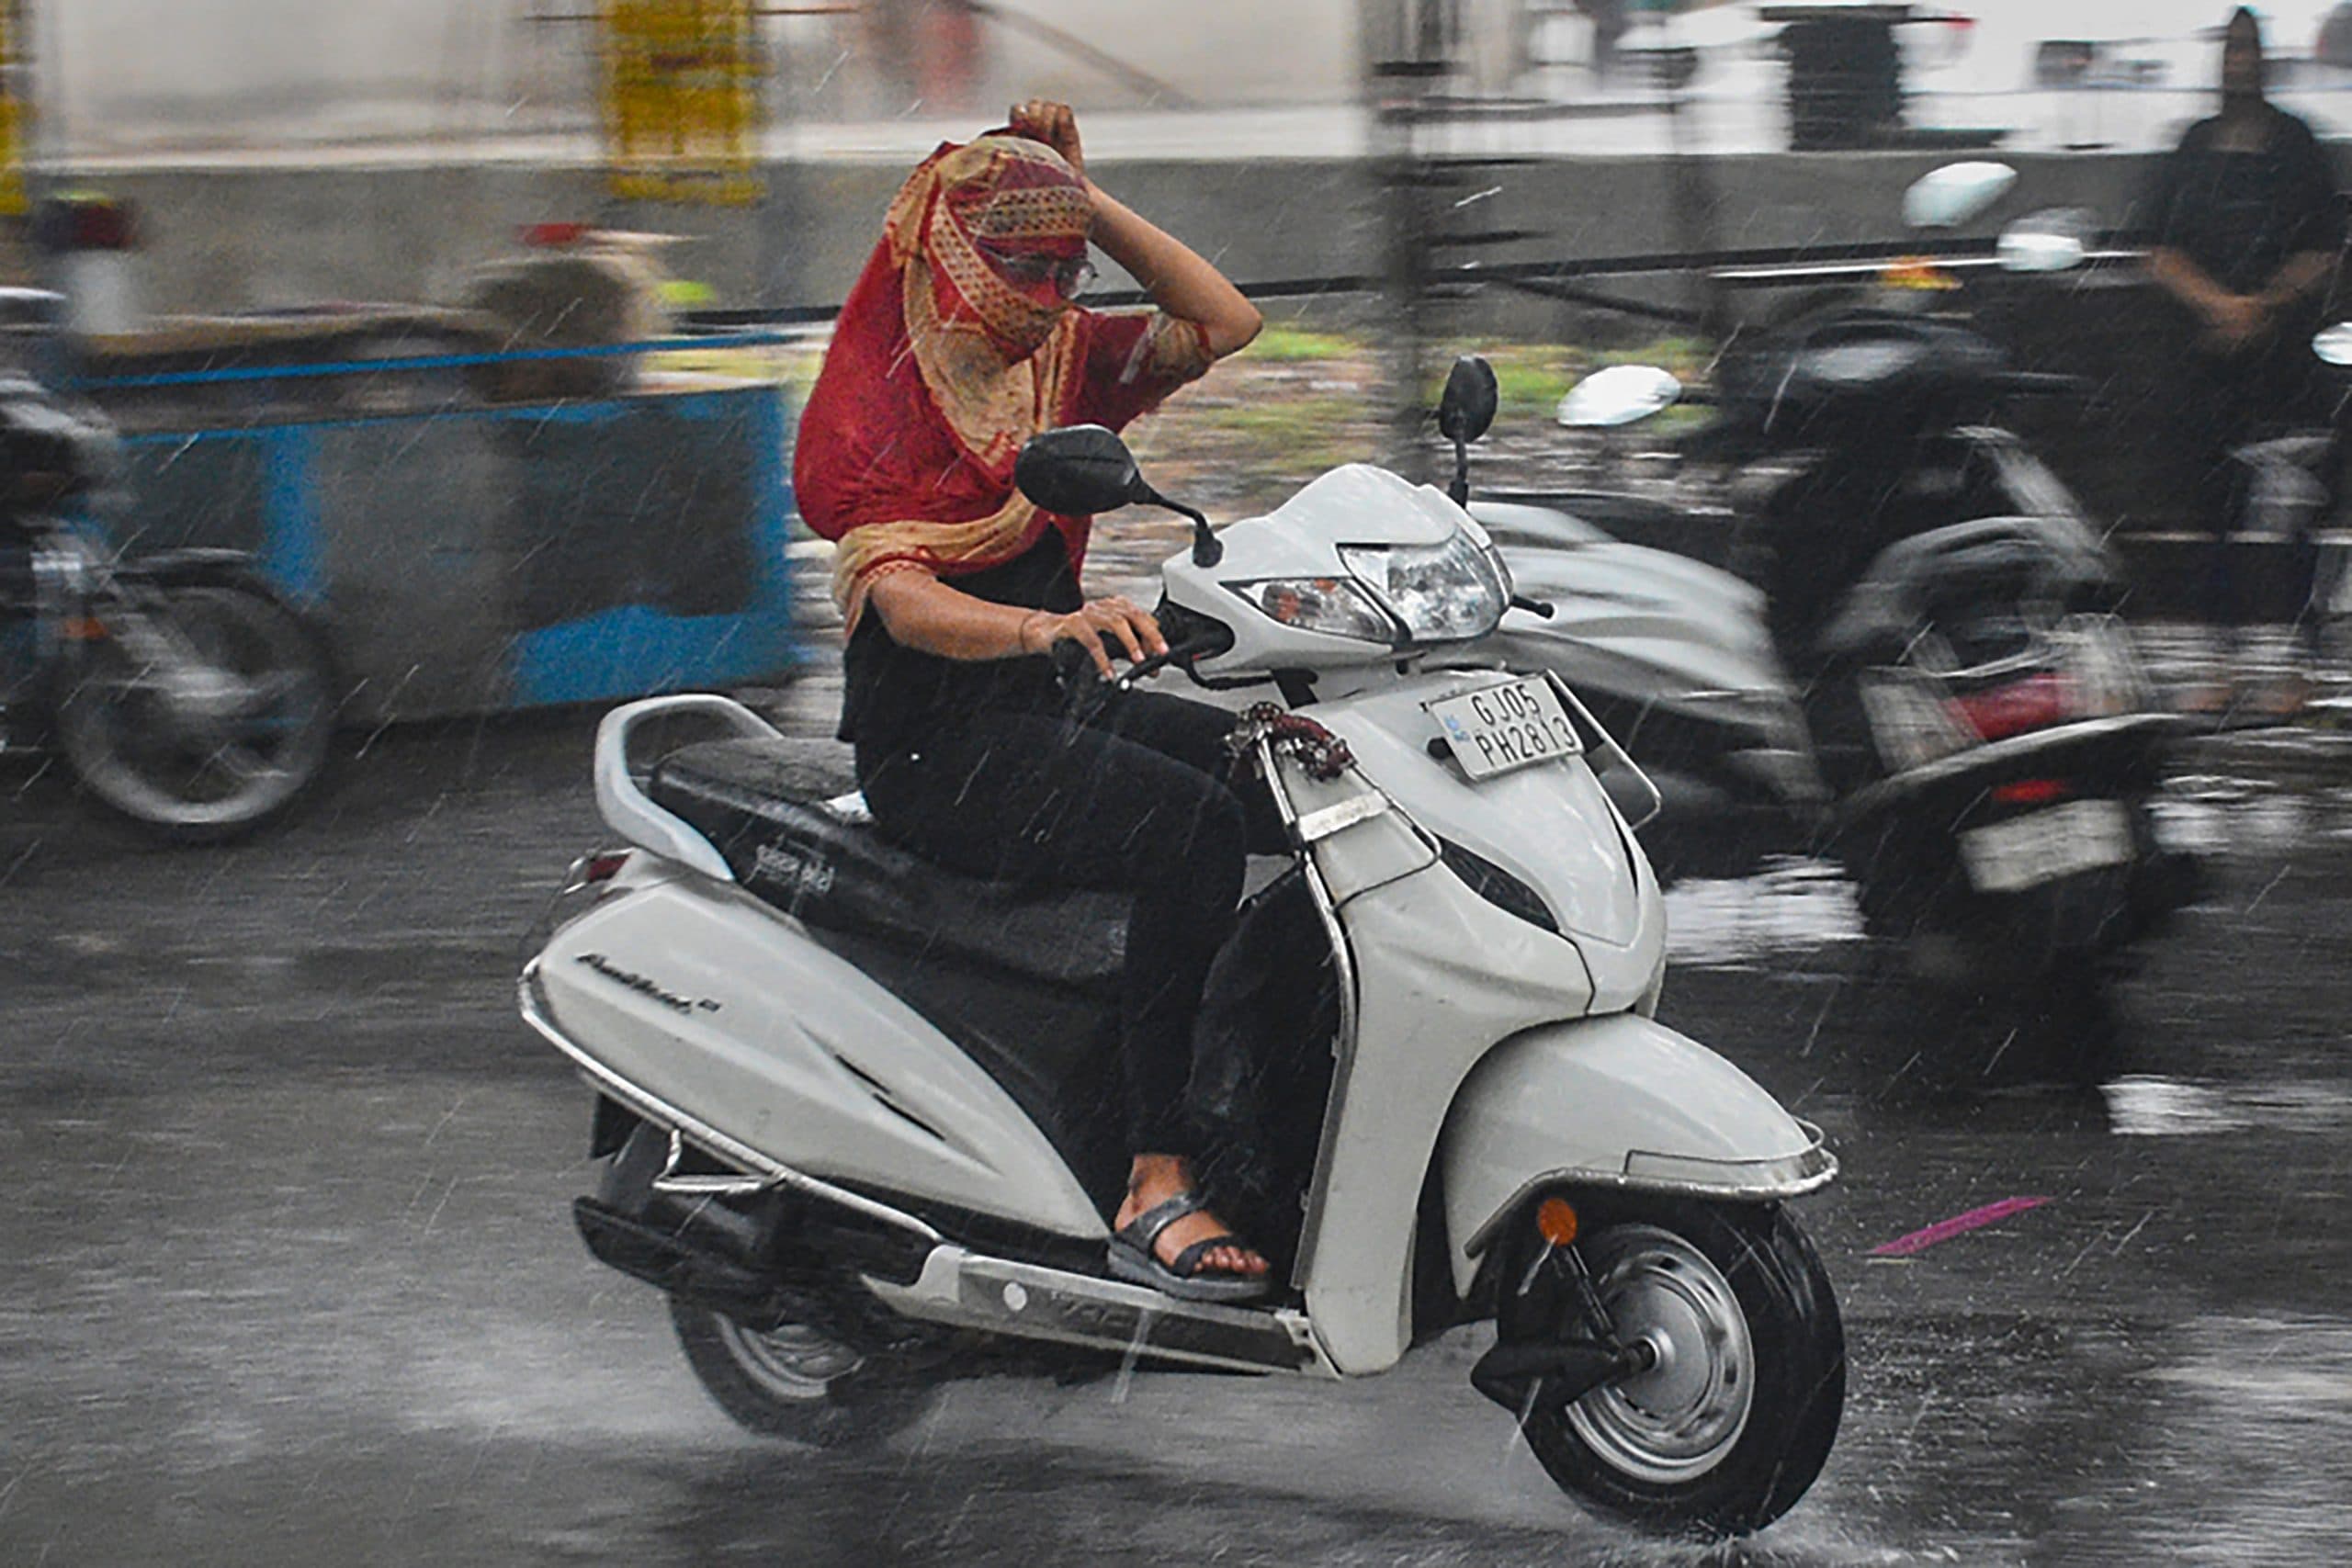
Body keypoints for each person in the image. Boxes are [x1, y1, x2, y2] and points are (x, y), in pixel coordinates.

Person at [792, 101, 1277, 1301]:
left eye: (1066, 270)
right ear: (948, 247)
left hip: (1058, 711)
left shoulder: (1058, 364)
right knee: (1190, 829)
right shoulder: (878, 409)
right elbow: (904, 603)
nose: (1051, 291)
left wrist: (1076, 193)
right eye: (1025, 261)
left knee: (1292, 780)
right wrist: (1049, 624)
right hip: (936, 749)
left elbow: (1225, 319)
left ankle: (1255, 1096)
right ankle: (1152, 1176)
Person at [2143, 6, 2346, 715]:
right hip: (2205, 363)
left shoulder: (2297, 144)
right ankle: (2221, 662)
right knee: (2213, 514)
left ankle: (2296, 660)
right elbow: (2159, 248)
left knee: (2293, 514)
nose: (2239, 62)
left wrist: (2262, 305)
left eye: (2249, 48)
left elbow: (2324, 244)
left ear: (2265, 57)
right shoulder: (2192, 146)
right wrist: (2217, 306)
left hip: (2284, 361)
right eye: (2230, 49)